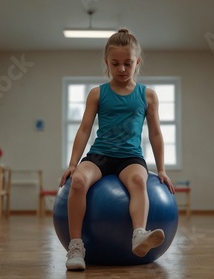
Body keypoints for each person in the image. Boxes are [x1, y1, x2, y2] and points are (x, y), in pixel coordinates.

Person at [59, 28, 175, 271]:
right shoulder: (97, 93)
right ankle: (76, 247)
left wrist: (161, 169)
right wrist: (73, 163)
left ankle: (138, 236)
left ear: (137, 62)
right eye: (115, 63)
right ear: (107, 63)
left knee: (139, 182)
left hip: (130, 157)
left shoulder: (148, 95)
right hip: (100, 154)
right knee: (79, 182)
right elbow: (83, 130)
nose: (122, 69)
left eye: (128, 63)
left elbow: (155, 133)